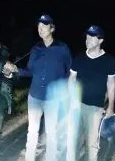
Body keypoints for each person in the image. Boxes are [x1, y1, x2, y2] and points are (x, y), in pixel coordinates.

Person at [4, 14, 72, 161]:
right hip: (34, 96)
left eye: (44, 26)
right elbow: (30, 71)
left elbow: (69, 73)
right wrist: (16, 70)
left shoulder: (62, 49)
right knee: (32, 131)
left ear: (52, 28)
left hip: (52, 99)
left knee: (51, 133)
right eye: (39, 27)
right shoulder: (36, 48)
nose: (40, 29)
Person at [67, 25, 115, 161]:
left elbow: (111, 84)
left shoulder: (109, 60)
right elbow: (71, 79)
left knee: (91, 144)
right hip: (76, 106)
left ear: (100, 40)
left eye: (91, 37)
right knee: (73, 141)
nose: (87, 40)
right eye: (87, 37)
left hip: (95, 108)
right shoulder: (79, 58)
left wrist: (110, 107)